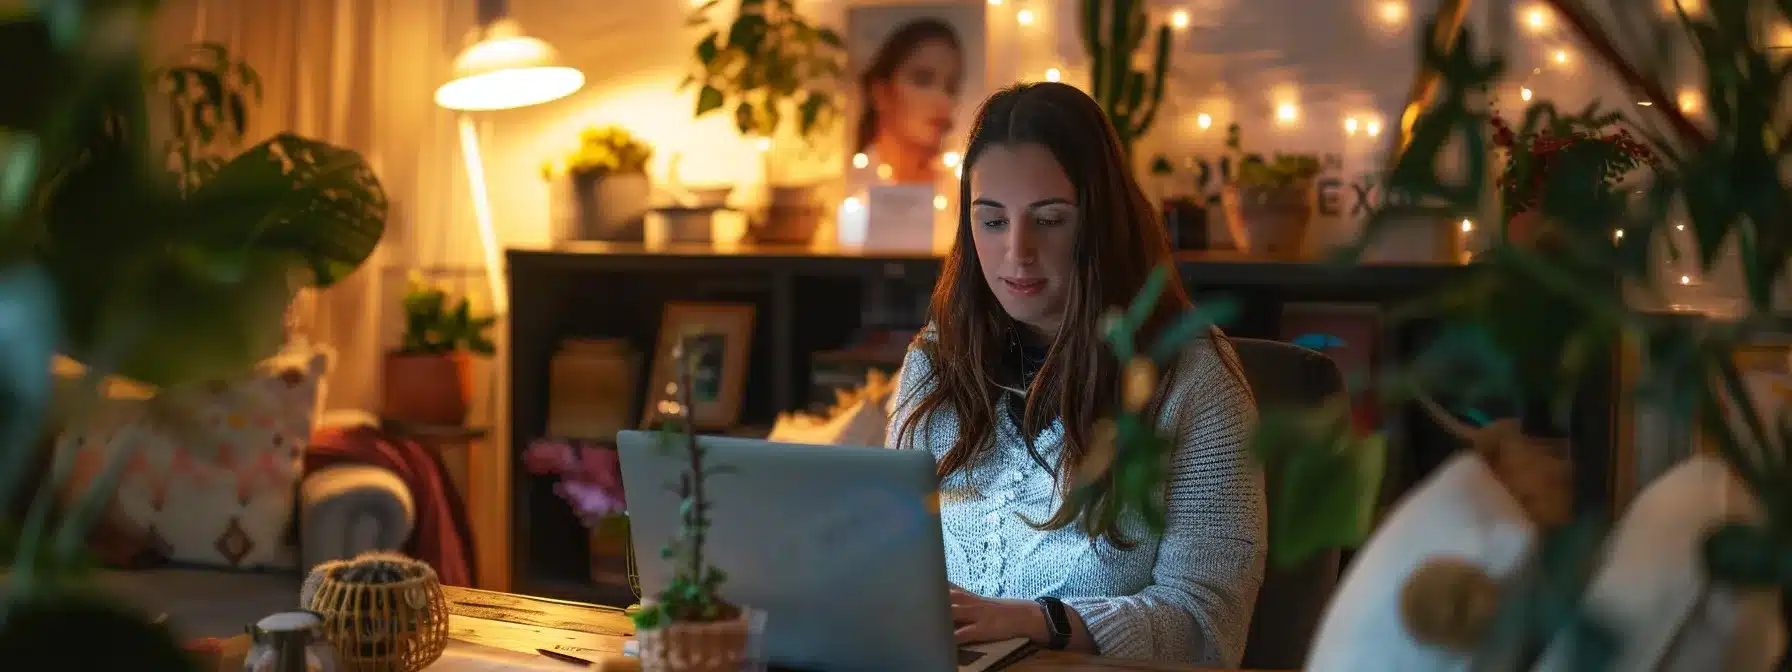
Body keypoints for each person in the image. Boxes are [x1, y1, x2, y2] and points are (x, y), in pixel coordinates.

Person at [886, 82, 1267, 667]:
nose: (1018, 251)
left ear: (1100, 224)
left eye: (1051, 220)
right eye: (991, 221)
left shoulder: (1192, 376)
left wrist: (1041, 621)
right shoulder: (935, 360)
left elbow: (1205, 625)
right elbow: (887, 563)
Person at [855, 18, 963, 185]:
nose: (943, 100)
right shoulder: (851, 186)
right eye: (923, 80)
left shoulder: (958, 190)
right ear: (880, 92)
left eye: (951, 87)